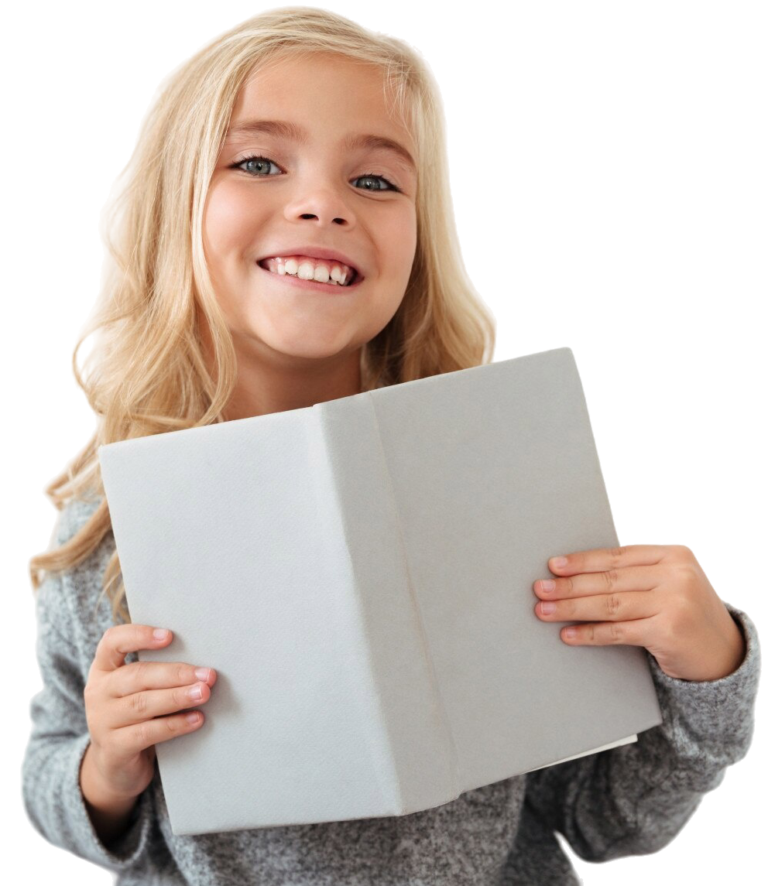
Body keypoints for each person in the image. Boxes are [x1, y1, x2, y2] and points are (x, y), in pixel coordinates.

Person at [22, 7, 760, 885]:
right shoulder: (102, 523)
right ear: (168, 204)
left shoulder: (502, 485)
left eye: (375, 181)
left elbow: (601, 821)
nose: (322, 204)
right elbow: (52, 763)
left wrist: (712, 669)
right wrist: (104, 769)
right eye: (258, 161)